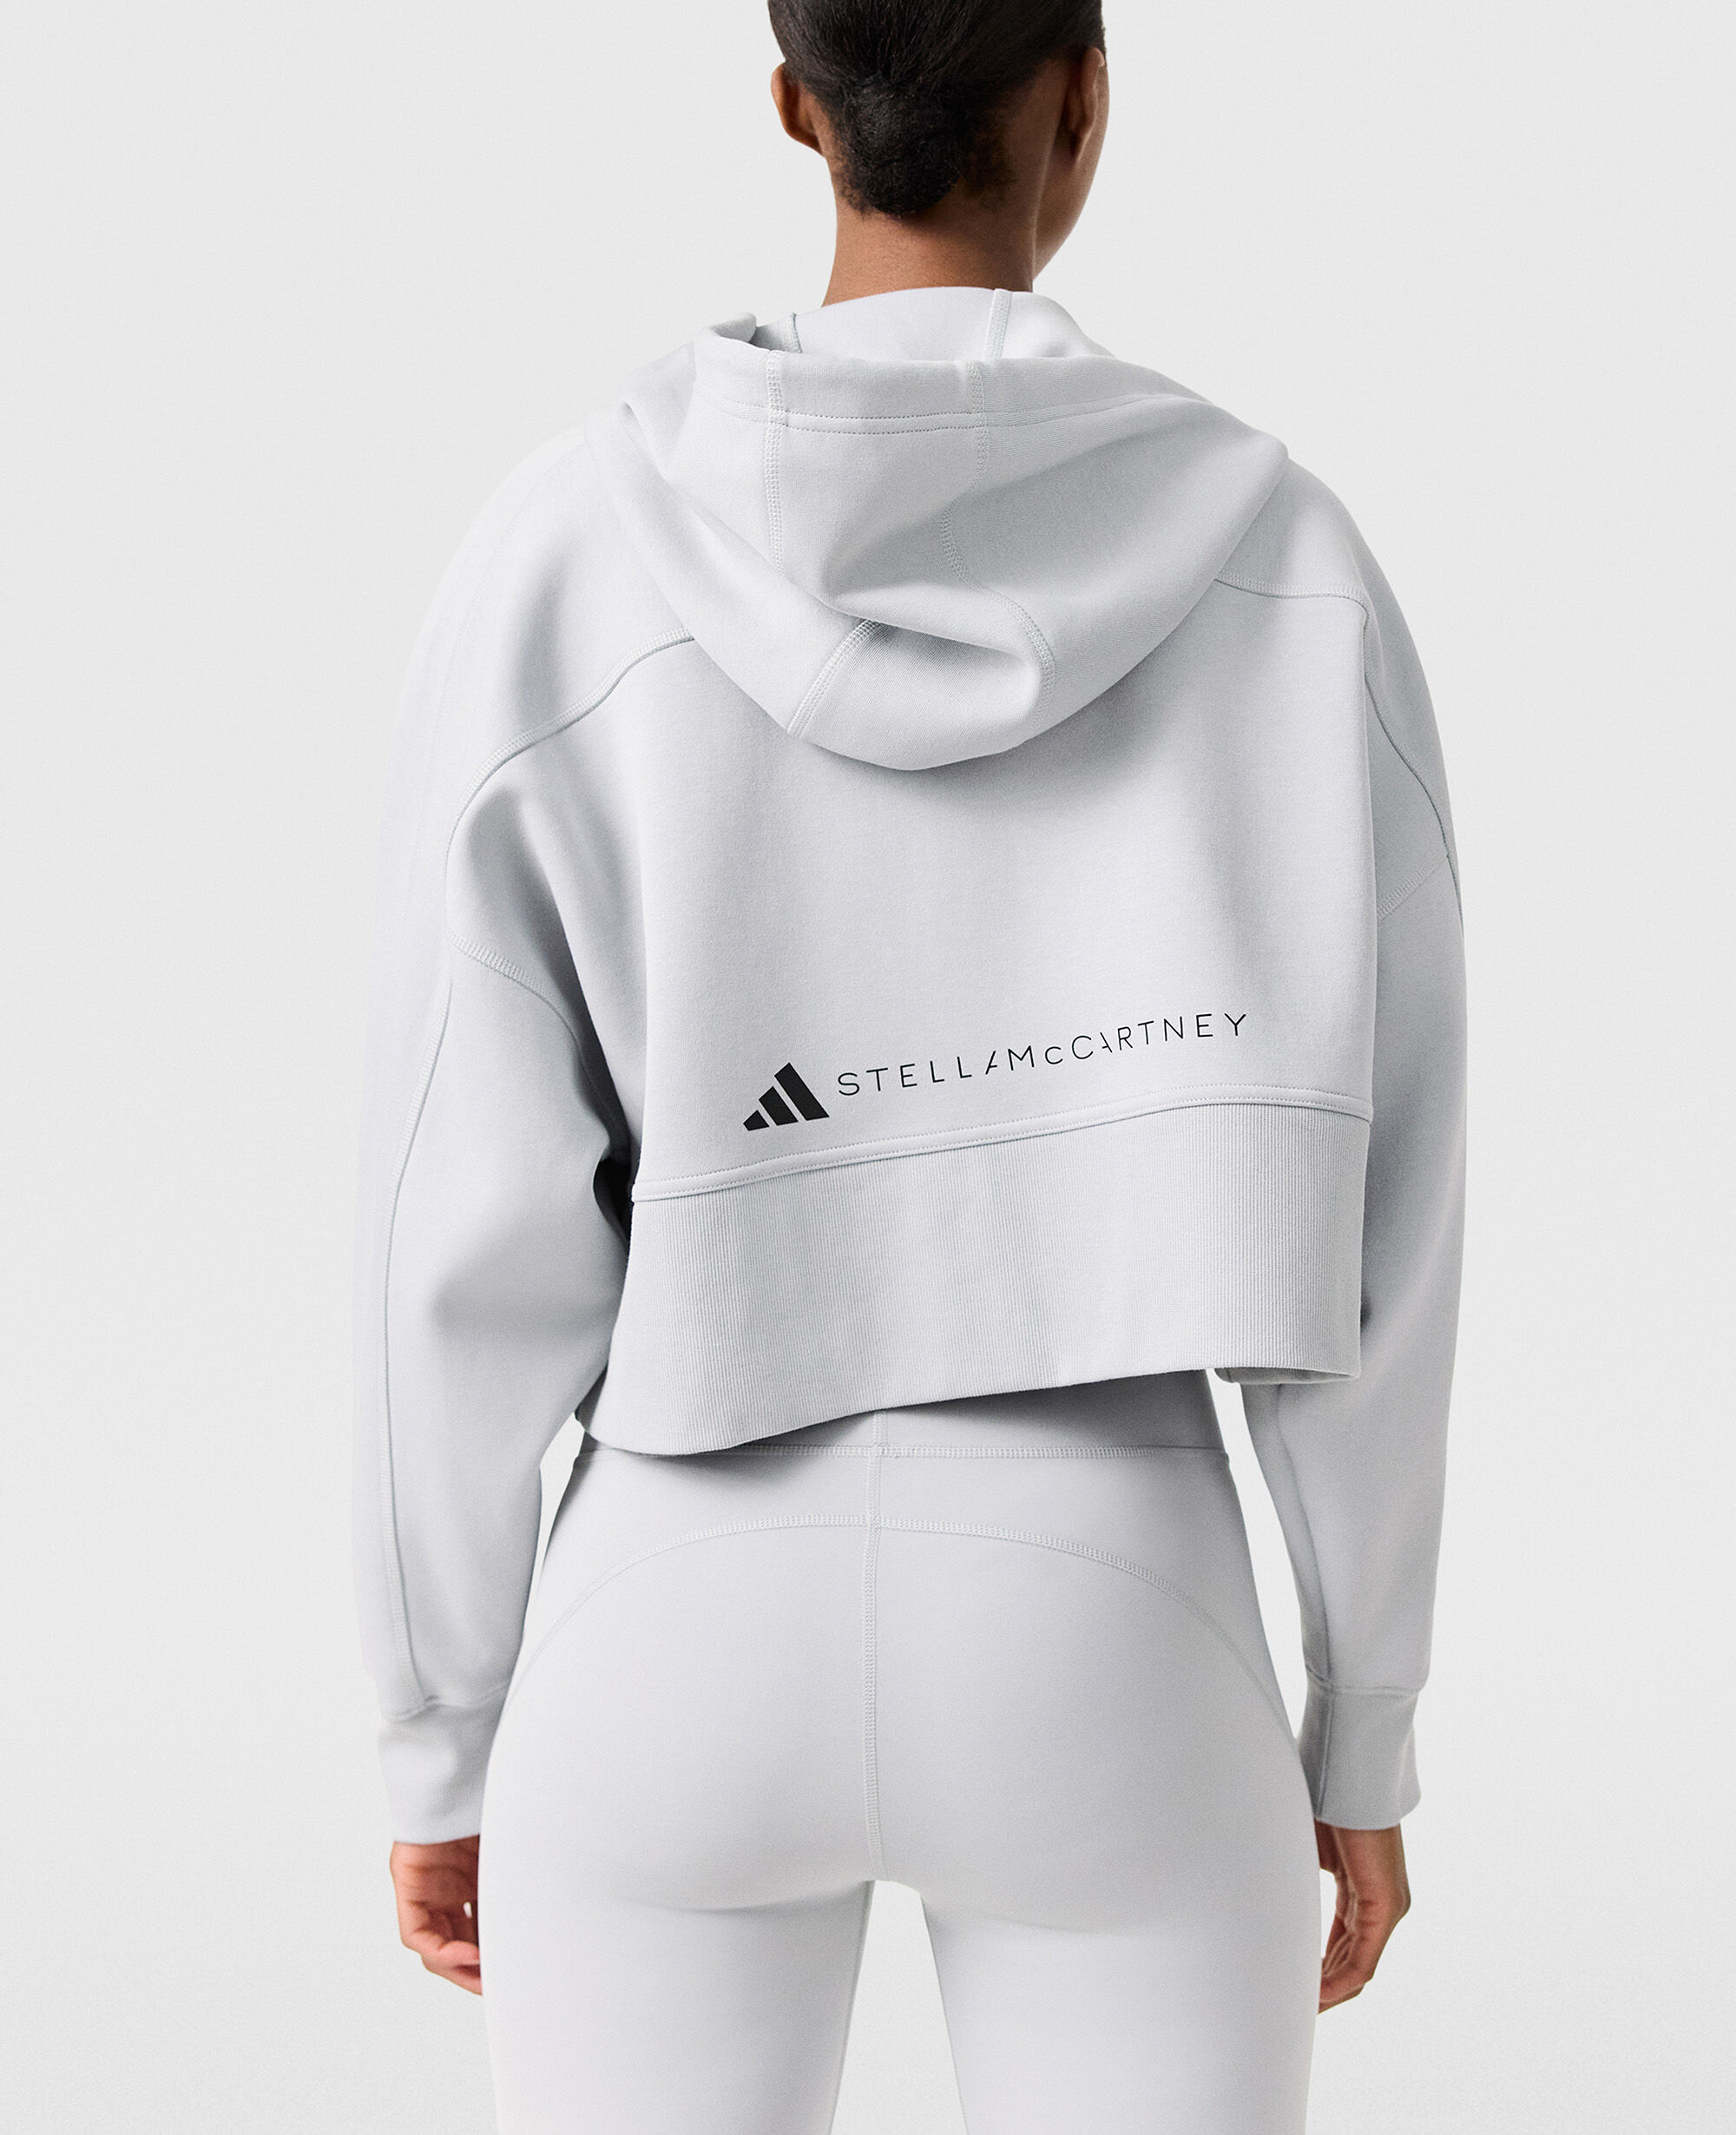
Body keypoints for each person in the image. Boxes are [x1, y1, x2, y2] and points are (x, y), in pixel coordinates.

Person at [352, 3, 1466, 2128]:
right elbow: (1381, 1232)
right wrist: (1362, 1729)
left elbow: (452, 1214)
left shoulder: (563, 547)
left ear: (797, 106)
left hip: (667, 1606)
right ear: (1083, 95)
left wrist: (441, 1730)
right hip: (1118, 1613)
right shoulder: (1288, 561)